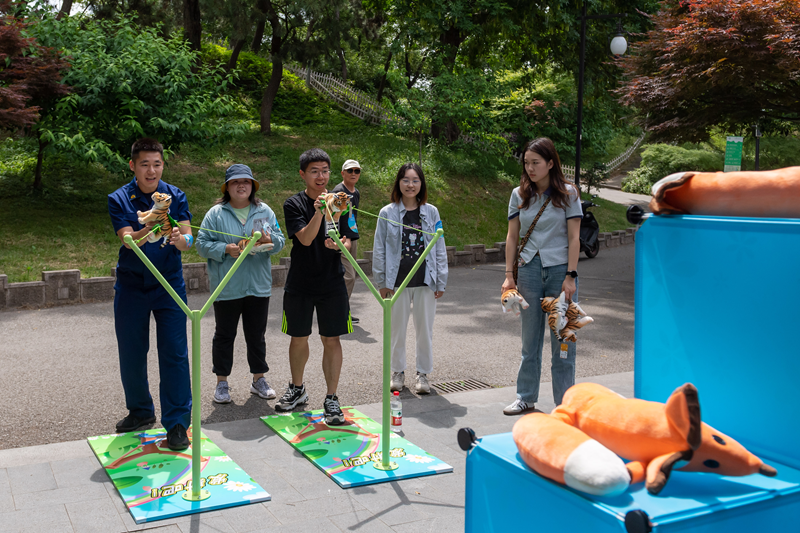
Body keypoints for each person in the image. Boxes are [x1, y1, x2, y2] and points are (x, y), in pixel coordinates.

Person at [107, 137, 193, 450]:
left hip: (169, 283)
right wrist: (153, 223)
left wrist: (180, 238)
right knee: (131, 351)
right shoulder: (119, 198)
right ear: (133, 165)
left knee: (174, 352)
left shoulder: (175, 195)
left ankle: (178, 423)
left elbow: (188, 239)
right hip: (132, 285)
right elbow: (128, 240)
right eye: (145, 164)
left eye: (157, 164)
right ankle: (140, 411)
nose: (151, 170)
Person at [501, 137, 582, 415]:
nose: (530, 168)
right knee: (529, 341)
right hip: (528, 270)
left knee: (563, 340)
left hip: (560, 271)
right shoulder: (519, 195)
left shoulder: (569, 193)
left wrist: (571, 275)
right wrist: (509, 275)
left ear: (550, 163)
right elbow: (512, 237)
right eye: (526, 163)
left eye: (536, 162)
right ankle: (525, 397)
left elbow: (574, 238)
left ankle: (565, 404)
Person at [196, 164, 286, 405]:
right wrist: (225, 249)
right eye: (235, 182)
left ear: (252, 186)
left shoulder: (264, 210)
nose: (241, 186)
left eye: (246, 181)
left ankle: (259, 379)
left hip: (258, 285)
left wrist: (269, 240)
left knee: (256, 335)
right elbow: (201, 244)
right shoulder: (215, 214)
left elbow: (280, 241)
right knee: (224, 335)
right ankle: (221, 382)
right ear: (227, 188)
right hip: (227, 286)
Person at [277, 148, 353, 425]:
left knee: (332, 339)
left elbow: (348, 239)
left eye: (325, 171)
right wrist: (320, 212)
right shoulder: (293, 204)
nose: (321, 177)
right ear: (303, 174)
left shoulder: (342, 202)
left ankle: (332, 398)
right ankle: (297, 389)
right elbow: (306, 239)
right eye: (314, 171)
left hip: (332, 281)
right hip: (300, 282)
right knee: (299, 337)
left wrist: (339, 245)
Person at [373, 162, 448, 395]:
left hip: (426, 281)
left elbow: (439, 247)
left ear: (421, 184)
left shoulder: (432, 212)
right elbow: (379, 248)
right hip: (397, 282)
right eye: (405, 180)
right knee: (397, 330)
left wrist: (441, 280)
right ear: (398, 183)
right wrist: (382, 282)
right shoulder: (387, 213)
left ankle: (423, 374)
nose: (410, 185)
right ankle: (397, 372)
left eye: (415, 180)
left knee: (425, 331)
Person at [332, 159, 361, 324]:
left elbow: (351, 217)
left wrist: (352, 236)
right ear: (343, 173)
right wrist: (342, 240)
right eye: (350, 171)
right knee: (348, 276)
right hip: (342, 239)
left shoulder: (356, 192)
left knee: (351, 275)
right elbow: (334, 219)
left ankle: (343, 310)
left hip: (352, 237)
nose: (353, 174)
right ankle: (338, 311)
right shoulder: (339, 192)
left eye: (357, 171)